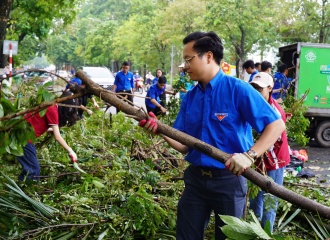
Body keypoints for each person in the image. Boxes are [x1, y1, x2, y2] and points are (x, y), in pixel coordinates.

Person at [139, 31, 286, 240]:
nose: (185, 66)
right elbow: (184, 144)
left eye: (188, 59)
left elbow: (276, 125)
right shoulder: (190, 98)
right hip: (195, 181)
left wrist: (249, 155)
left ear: (208, 56)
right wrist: (159, 129)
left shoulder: (238, 90)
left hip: (229, 181)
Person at [249, 72, 290, 232]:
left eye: (259, 89)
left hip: (275, 161)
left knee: (269, 200)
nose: (256, 92)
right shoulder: (253, 105)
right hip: (257, 159)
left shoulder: (276, 112)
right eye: (254, 88)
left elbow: (270, 139)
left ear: (270, 88)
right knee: (254, 198)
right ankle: (253, 230)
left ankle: (266, 233)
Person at [18, 99, 79, 181]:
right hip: (24, 140)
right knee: (33, 170)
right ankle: (24, 190)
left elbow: (37, 122)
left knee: (31, 169)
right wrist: (70, 150)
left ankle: (21, 186)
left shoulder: (51, 105)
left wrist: (50, 129)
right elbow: (57, 137)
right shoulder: (52, 109)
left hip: (22, 136)